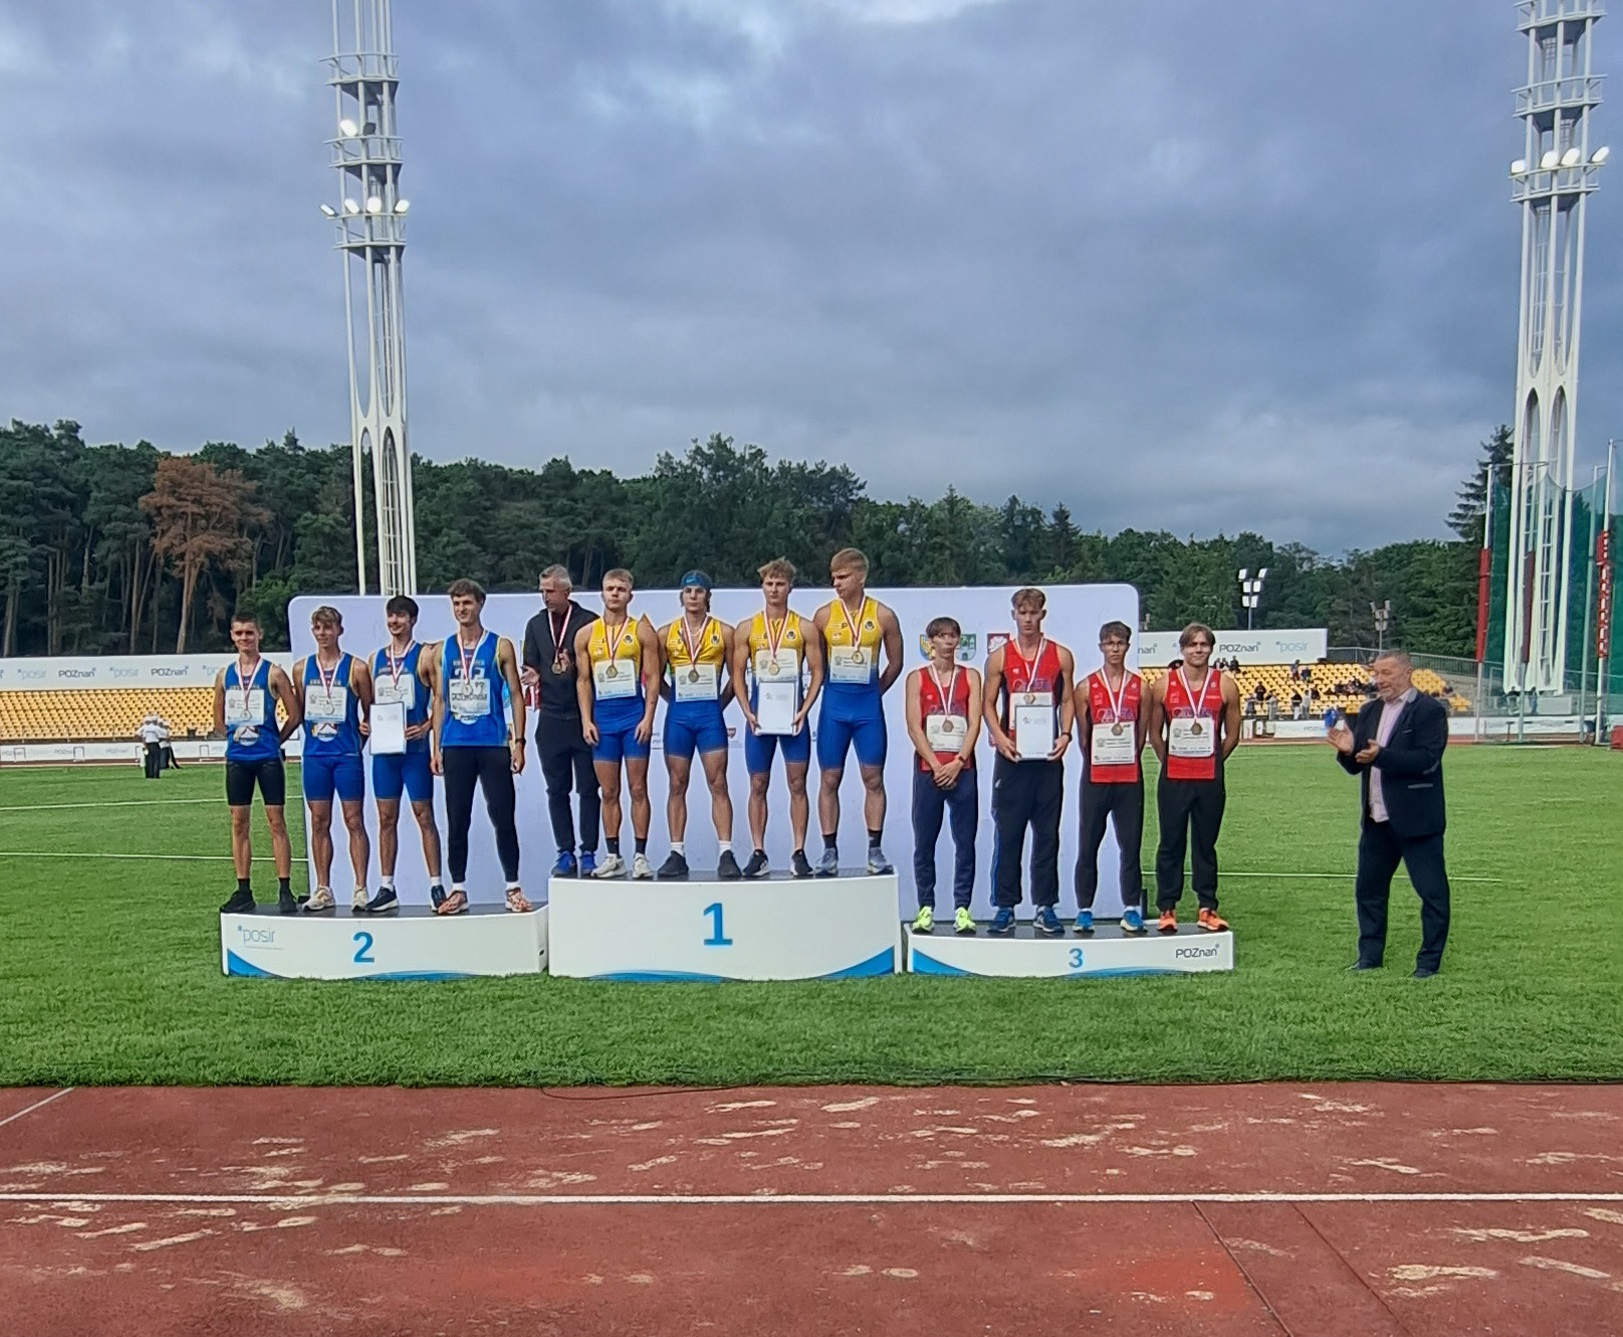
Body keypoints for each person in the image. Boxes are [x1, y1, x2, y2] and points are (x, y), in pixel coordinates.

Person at [1328, 651, 1451, 978]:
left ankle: (1428, 963)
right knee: (1368, 891)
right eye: (1376, 674)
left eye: (1386, 673)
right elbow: (1358, 764)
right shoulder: (1369, 711)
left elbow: (1426, 760)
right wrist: (1347, 753)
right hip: (1376, 821)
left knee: (1432, 894)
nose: (1379, 680)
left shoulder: (1429, 710)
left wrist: (1381, 756)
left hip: (1417, 822)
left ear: (1407, 672)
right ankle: (1369, 958)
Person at [425, 579, 530, 914]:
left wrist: (519, 742)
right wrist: (436, 747)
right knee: (457, 819)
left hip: (492, 743)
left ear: (480, 604)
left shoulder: (500, 646)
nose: (462, 609)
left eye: (467, 603)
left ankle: (513, 887)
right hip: (456, 744)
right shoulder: (442, 650)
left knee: (503, 815)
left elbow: (516, 695)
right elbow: (439, 699)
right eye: (456, 604)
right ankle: (458, 889)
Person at [982, 587, 1076, 937]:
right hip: (1013, 756)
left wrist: (1065, 734)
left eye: (1033, 613)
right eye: (1022, 613)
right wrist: (999, 736)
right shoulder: (1000, 657)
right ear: (1013, 615)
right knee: (1009, 834)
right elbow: (987, 703)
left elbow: (1067, 700)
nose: (1027, 619)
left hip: (1047, 757)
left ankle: (1045, 906)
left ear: (1042, 615)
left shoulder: (1061, 655)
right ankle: (1005, 907)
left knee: (1047, 834)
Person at [730, 557, 824, 878]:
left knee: (797, 784)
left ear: (790, 588)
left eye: (780, 584)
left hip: (793, 715)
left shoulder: (804, 627)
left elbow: (817, 671)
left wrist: (805, 709)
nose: (774, 589)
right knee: (758, 783)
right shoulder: (747, 628)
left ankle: (798, 851)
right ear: (762, 587)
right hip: (760, 715)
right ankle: (759, 852)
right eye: (769, 583)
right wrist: (746, 710)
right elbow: (738, 674)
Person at [1145, 622, 1242, 933]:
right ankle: (1167, 908)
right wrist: (1170, 761)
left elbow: (1233, 734)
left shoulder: (1226, 685)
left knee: (1205, 844)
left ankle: (1207, 907)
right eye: (1192, 644)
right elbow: (1155, 734)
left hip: (1209, 778)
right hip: (1174, 778)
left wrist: (1213, 760)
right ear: (1182, 649)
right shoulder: (1163, 685)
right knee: (1170, 843)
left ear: (1211, 648)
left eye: (1203, 644)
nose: (1198, 650)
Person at [813, 548, 903, 876]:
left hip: (867, 709)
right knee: (829, 778)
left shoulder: (884, 615)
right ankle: (829, 850)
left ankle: (875, 850)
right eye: (833, 578)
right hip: (834, 708)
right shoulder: (824, 616)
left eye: (842, 577)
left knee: (873, 778)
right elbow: (816, 664)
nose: (836, 583)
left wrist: (875, 692)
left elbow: (896, 662)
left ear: (861, 577)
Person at [575, 569, 661, 880]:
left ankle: (640, 856)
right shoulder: (586, 634)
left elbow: (653, 677)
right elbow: (583, 681)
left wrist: (648, 717)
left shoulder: (641, 632)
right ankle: (613, 856)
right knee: (608, 791)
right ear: (601, 593)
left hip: (632, 717)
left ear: (630, 595)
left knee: (638, 788)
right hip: (603, 720)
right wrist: (586, 719)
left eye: (621, 589)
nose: (615, 594)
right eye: (610, 588)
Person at [215, 612, 303, 914]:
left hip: (267, 758)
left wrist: (275, 741)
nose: (244, 638)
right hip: (237, 759)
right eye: (239, 633)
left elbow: (295, 715)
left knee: (276, 822)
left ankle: (284, 888)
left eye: (249, 633)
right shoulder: (224, 675)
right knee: (239, 823)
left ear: (259, 634)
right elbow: (218, 719)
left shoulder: (274, 673)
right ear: (232, 636)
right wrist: (234, 738)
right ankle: (243, 890)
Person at [655, 572, 740, 880]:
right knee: (677, 784)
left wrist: (719, 704)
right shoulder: (665, 634)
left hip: (710, 718)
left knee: (718, 783)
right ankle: (676, 852)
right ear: (681, 596)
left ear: (708, 596)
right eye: (688, 591)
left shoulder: (725, 632)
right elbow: (653, 678)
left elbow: (736, 677)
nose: (693, 596)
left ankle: (726, 852)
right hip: (678, 717)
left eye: (699, 591)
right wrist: (674, 699)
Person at [364, 594, 444, 914]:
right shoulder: (374, 659)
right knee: (386, 818)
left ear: (412, 620)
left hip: (415, 751)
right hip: (386, 752)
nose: (395, 622)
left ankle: (436, 885)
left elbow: (440, 700)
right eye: (391, 616)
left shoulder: (424, 656)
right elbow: (369, 704)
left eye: (401, 616)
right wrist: (366, 724)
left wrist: (426, 727)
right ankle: (387, 887)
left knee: (424, 816)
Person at [904, 616, 983, 936]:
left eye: (953, 636)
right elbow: (914, 726)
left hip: (963, 768)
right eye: (942, 636)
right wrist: (937, 765)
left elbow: (975, 722)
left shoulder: (971, 676)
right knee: (924, 842)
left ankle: (963, 909)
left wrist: (958, 761)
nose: (948, 642)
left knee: (965, 842)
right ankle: (926, 908)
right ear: (931, 642)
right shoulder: (917, 678)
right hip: (929, 770)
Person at [521, 564, 601, 879]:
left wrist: (574, 665)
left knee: (589, 789)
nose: (545, 597)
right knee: (557, 790)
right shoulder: (535, 625)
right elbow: (531, 665)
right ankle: (565, 852)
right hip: (551, 718)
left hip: (583, 718)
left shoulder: (589, 622)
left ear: (567, 591)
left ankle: (589, 851)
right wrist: (532, 675)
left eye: (551, 591)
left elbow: (598, 667)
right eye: (542, 591)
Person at [294, 606, 374, 914]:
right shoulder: (301, 669)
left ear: (339, 630)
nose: (323, 633)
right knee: (318, 821)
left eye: (328, 627)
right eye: (318, 628)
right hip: (315, 756)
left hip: (346, 756)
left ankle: (360, 888)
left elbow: (370, 712)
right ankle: (323, 888)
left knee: (354, 820)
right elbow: (300, 713)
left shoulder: (356, 668)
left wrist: (359, 740)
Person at [1073, 620, 1148, 936]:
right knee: (1088, 845)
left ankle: (1130, 908)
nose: (1115, 648)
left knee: (1130, 846)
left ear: (1127, 646)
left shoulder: (1141, 687)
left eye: (1120, 643)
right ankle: (1084, 911)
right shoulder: (1085, 687)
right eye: (1109, 643)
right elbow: (1083, 736)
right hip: (1096, 777)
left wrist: (1124, 754)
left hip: (1129, 778)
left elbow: (1141, 734)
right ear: (1101, 646)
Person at [138, 713, 165, 779]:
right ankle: (155, 775)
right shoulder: (156, 728)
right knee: (156, 760)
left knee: (148, 760)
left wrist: (145, 745)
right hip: (155, 744)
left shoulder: (146, 728)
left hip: (147, 745)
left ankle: (149, 775)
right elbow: (161, 737)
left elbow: (143, 737)